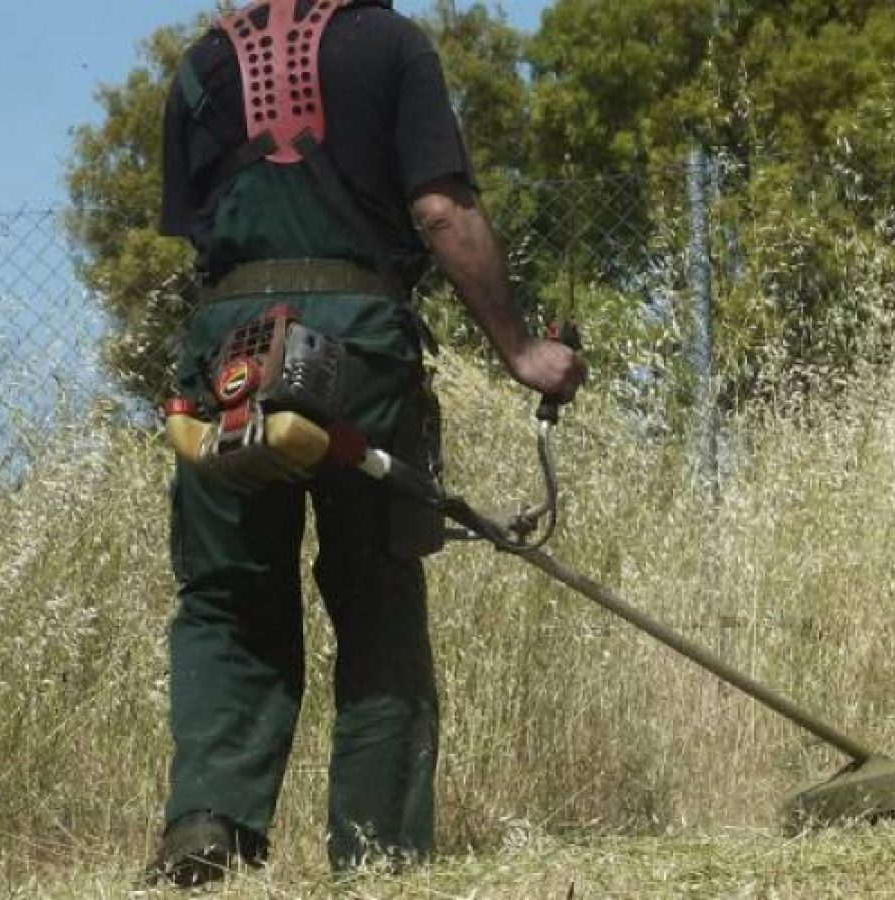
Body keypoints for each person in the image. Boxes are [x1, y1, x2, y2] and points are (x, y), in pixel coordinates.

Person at [148, 0, 585, 887]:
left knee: (229, 597)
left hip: (227, 355)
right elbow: (442, 212)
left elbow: (200, 233)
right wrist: (523, 351)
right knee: (376, 591)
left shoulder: (199, 64)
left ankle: (209, 826)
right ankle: (377, 856)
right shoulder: (391, 44)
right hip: (360, 348)